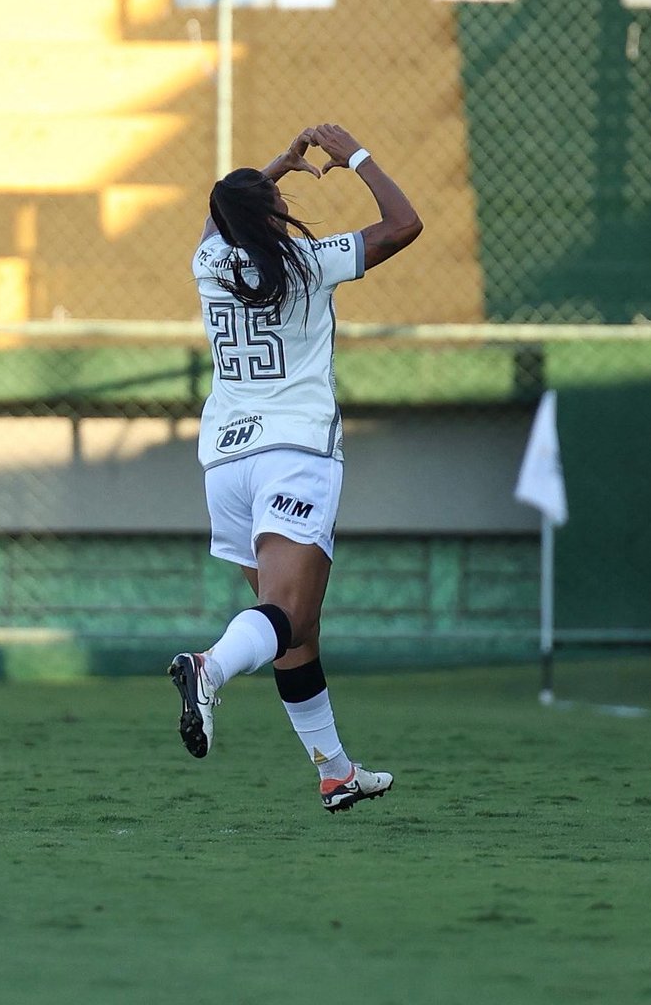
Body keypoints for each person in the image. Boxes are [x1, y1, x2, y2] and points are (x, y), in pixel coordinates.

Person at [168, 123, 422, 812]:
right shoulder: (311, 262)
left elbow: (223, 217)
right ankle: (208, 667)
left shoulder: (209, 263)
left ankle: (335, 772)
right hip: (295, 453)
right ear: (276, 218)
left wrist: (272, 170)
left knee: (293, 630)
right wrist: (358, 157)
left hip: (226, 461)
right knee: (287, 612)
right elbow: (404, 225)